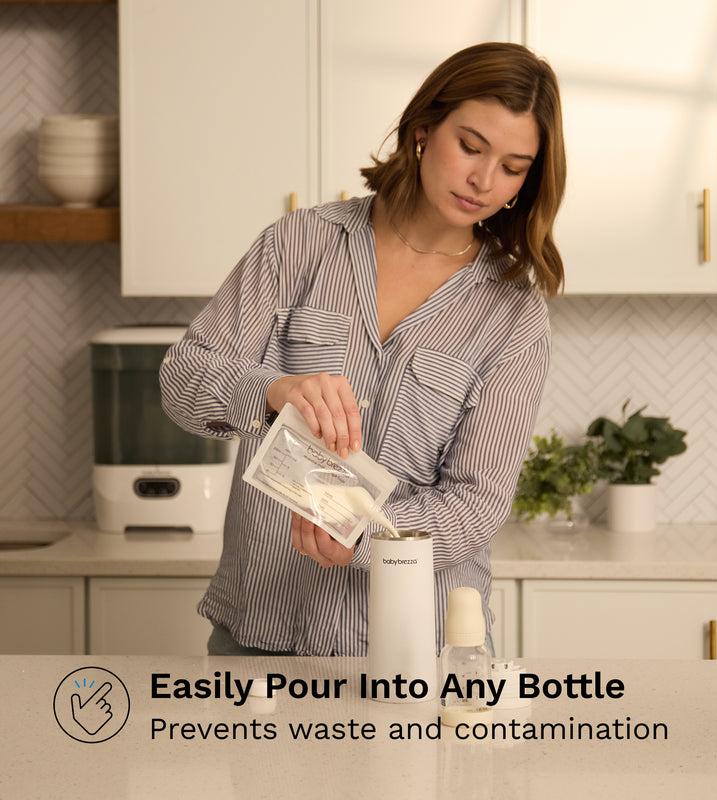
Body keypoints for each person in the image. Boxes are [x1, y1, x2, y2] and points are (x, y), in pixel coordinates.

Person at [159, 41, 567, 656]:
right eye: (470, 146)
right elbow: (183, 380)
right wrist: (272, 391)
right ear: (424, 130)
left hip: (418, 649)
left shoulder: (512, 312)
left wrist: (363, 532)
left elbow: (476, 506)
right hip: (259, 634)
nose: (483, 181)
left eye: (512, 167)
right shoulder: (299, 244)